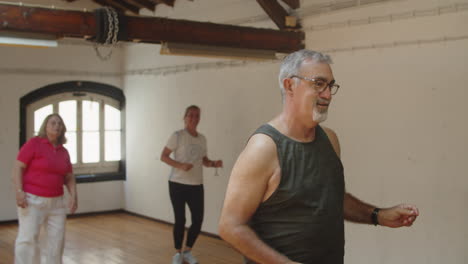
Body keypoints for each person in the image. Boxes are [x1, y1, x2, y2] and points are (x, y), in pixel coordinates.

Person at [218, 49, 419, 264]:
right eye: (318, 84)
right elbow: (230, 226)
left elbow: (330, 199)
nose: (327, 94)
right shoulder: (264, 148)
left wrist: (377, 215)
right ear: (289, 85)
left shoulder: (330, 140)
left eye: (330, 85)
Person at [160, 105, 223, 264]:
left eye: (197, 116)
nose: (194, 118)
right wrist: (180, 166)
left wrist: (213, 163)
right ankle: (177, 253)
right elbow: (164, 156)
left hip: (196, 184)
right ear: (185, 117)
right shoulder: (178, 136)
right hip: (177, 184)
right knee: (180, 220)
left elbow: (204, 160)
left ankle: (187, 251)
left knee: (198, 219)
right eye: (191, 115)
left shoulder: (202, 138)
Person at [12, 113, 77, 264]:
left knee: (57, 242)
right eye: (53, 123)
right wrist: (19, 192)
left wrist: (73, 196)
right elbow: (17, 168)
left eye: (60, 124)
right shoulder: (34, 144)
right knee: (28, 241)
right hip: (32, 200)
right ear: (45, 127)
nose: (57, 126)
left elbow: (69, 176)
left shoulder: (63, 152)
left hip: (57, 203)